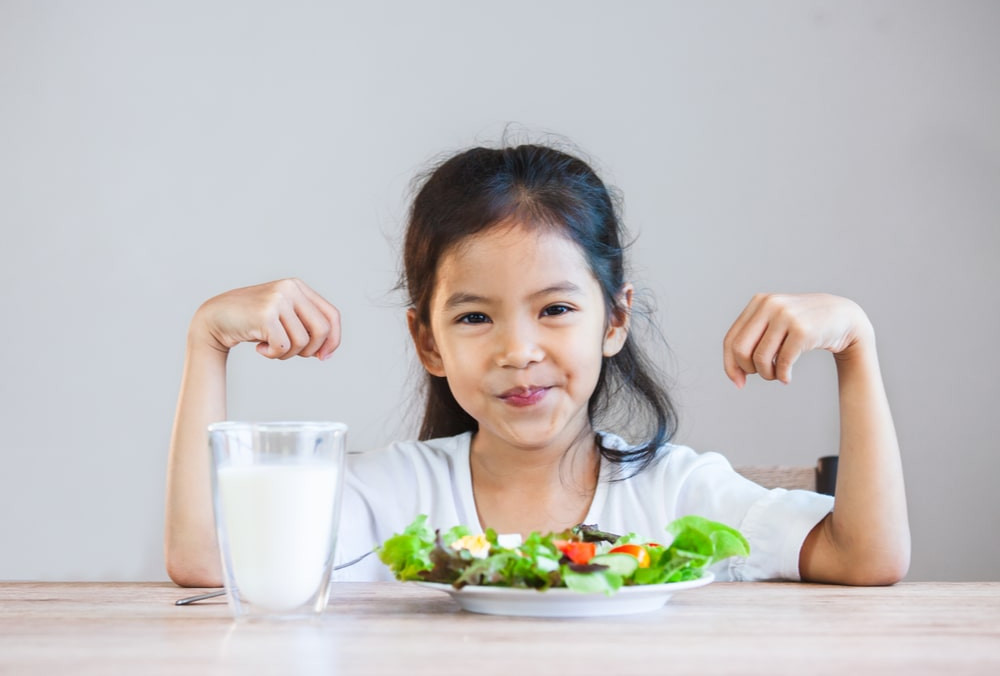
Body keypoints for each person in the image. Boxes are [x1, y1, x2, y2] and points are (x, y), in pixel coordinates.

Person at [164, 143, 910, 588]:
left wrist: (857, 348)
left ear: (614, 320)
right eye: (475, 317)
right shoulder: (388, 495)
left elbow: (865, 559)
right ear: (429, 343)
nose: (518, 350)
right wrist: (207, 341)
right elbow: (205, 561)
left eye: (555, 309)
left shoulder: (677, 494)